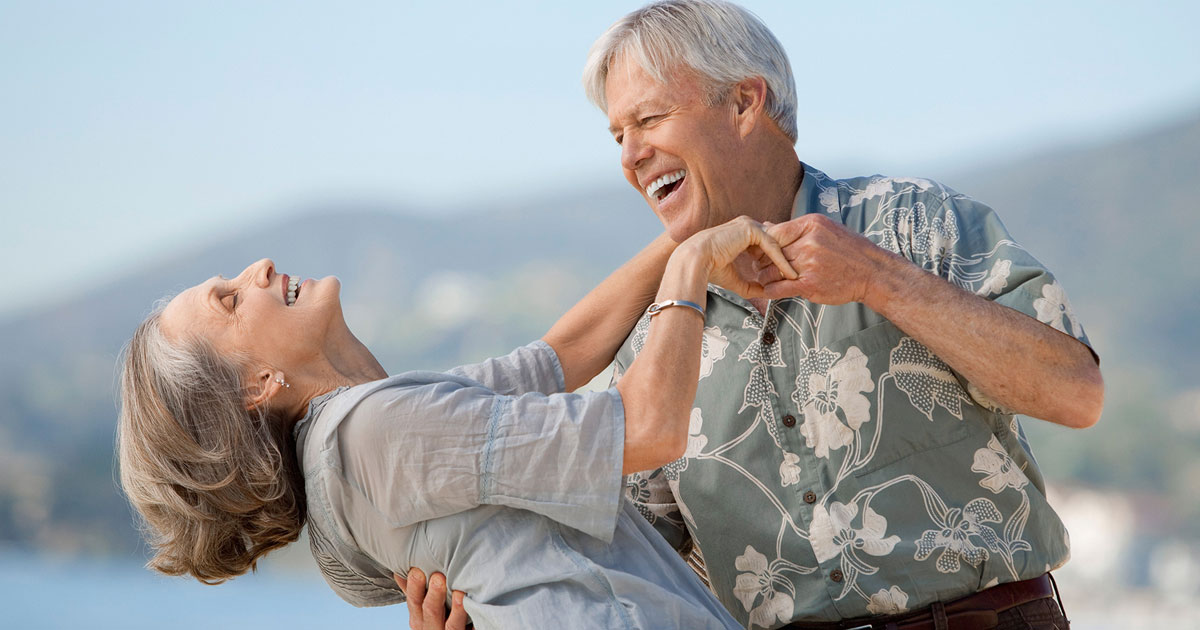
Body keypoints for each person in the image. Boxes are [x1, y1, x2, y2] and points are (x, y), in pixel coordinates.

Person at [406, 1, 1104, 629]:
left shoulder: (914, 223)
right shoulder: (650, 341)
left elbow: (1075, 392)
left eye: (648, 119)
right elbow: (634, 572)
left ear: (744, 102)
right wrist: (484, 613)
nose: (629, 155)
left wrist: (879, 279)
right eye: (616, 134)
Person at [116, 217, 804, 628]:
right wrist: (689, 267)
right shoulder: (374, 434)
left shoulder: (362, 447)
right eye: (231, 301)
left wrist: (691, 227)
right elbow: (650, 426)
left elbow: (556, 357)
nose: (258, 268)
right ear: (257, 388)